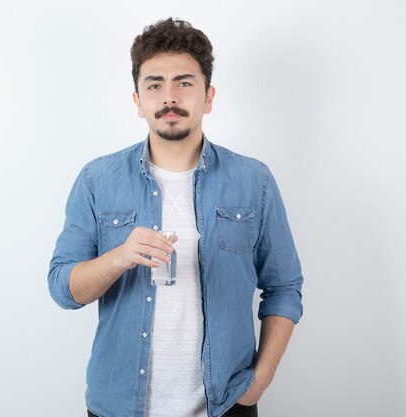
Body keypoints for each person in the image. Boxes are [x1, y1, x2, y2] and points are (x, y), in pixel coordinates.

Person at [47, 17, 303, 417]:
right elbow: (63, 288)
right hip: (117, 405)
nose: (170, 97)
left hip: (225, 405)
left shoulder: (254, 181)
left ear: (209, 97)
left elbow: (284, 287)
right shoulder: (97, 180)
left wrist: (260, 381)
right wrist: (120, 256)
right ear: (137, 101)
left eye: (184, 83)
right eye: (154, 85)